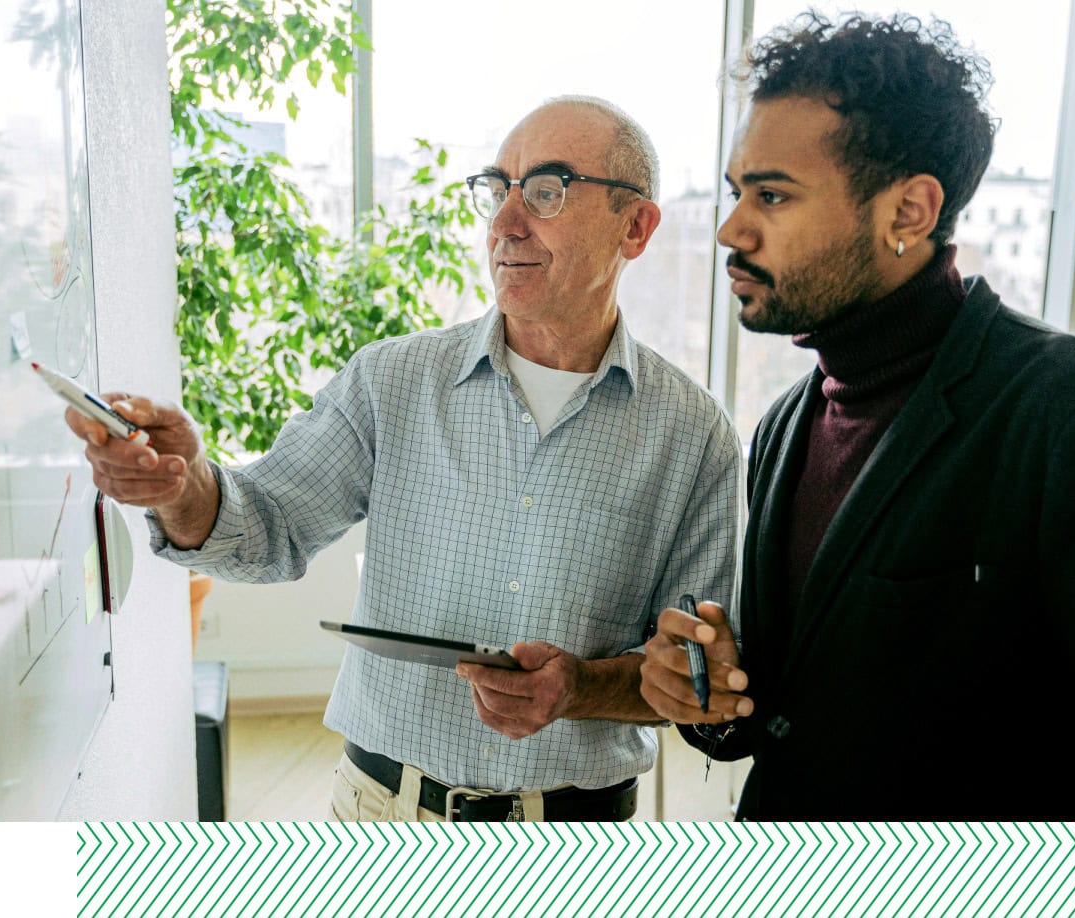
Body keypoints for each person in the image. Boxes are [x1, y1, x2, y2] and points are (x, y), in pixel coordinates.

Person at [67, 96, 742, 822]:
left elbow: (694, 674)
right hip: (381, 814)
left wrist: (580, 687)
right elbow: (268, 528)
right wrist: (182, 487)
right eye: (497, 190)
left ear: (635, 226)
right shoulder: (391, 380)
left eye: (546, 191)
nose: (505, 222)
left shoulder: (694, 434)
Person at [640, 12, 1075, 821]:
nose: (730, 228)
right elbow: (784, 710)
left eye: (771, 195)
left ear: (909, 211)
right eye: (737, 190)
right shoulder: (784, 426)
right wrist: (711, 694)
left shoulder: (1072, 410)